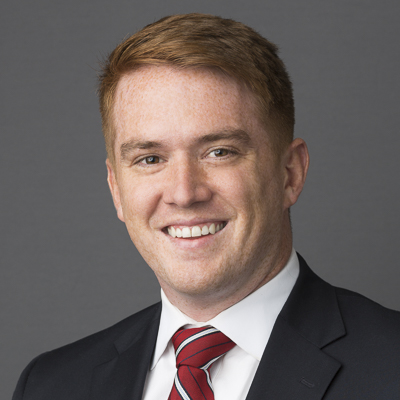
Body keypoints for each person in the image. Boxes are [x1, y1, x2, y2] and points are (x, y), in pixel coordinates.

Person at [13, 13, 400, 400]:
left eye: (219, 152)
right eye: (150, 159)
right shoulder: (51, 386)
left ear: (290, 174)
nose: (184, 193)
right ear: (116, 189)